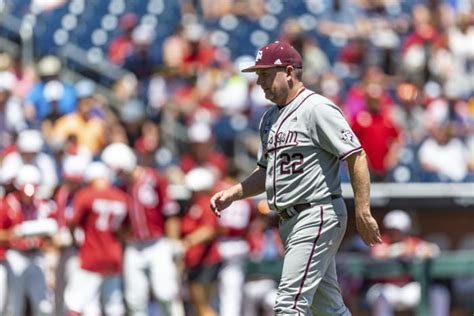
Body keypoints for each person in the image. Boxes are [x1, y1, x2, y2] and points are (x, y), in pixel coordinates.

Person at [210, 41, 382, 315]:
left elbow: (356, 155)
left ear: (288, 72)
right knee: (328, 308)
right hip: (290, 221)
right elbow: (267, 172)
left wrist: (363, 210)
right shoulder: (269, 118)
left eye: (266, 74)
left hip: (316, 213)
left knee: (288, 306)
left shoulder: (316, 108)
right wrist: (234, 192)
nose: (259, 82)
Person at [101, 143, 184, 316]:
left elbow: (170, 212)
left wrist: (173, 241)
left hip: (157, 243)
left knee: (166, 293)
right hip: (134, 246)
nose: (119, 176)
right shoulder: (121, 187)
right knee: (134, 298)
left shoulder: (153, 180)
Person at [366, 209, 450, 316]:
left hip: (407, 288)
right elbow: (377, 253)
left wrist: (419, 250)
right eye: (392, 229)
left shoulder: (411, 242)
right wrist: (398, 250)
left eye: (398, 230)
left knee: (439, 293)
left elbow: (432, 250)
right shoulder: (381, 241)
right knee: (380, 296)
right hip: (386, 287)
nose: (395, 233)